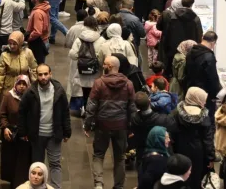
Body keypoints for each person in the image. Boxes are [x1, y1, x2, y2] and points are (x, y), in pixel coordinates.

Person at [83, 55, 135, 189]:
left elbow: (91, 107)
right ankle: (119, 186)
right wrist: (131, 127)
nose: (103, 66)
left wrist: (87, 125)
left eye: (105, 64)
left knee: (98, 155)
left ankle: (99, 184)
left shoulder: (99, 83)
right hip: (121, 126)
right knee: (120, 157)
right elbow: (132, 107)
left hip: (103, 125)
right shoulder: (128, 83)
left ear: (110, 67)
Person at [18, 64, 71, 189]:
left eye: (45, 74)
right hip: (37, 135)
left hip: (54, 134)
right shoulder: (30, 92)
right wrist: (23, 131)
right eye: (40, 74)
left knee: (55, 164)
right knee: (37, 165)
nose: (43, 77)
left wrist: (67, 131)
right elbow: (22, 112)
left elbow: (65, 111)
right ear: (36, 75)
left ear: (50, 74)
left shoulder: (58, 90)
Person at [167, 87, 215, 189]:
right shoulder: (204, 116)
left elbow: (171, 135)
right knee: (196, 178)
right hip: (198, 153)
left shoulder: (176, 113)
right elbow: (207, 140)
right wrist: (210, 158)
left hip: (180, 150)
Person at [0, 75, 32, 189]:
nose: (22, 86)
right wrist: (5, 127)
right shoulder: (8, 96)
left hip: (25, 134)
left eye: (24, 84)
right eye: (19, 84)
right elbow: (2, 114)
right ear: (15, 84)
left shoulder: (31, 97)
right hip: (11, 133)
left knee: (23, 161)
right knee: (11, 159)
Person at [158, 0, 203, 77]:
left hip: (173, 49)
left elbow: (167, 34)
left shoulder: (172, 17)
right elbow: (199, 36)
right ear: (191, 4)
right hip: (189, 51)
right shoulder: (195, 19)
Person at [184, 31, 221, 123]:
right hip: (205, 95)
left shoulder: (190, 52)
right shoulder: (209, 57)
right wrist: (217, 93)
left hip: (191, 91)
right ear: (213, 43)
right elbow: (213, 79)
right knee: (206, 120)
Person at [68, 16, 105, 104]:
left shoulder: (79, 39)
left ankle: (83, 107)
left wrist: (80, 57)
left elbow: (72, 54)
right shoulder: (101, 39)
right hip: (95, 71)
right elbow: (103, 55)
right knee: (94, 91)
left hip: (82, 70)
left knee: (84, 91)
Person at [0, 31, 37, 102]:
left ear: (20, 43)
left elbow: (34, 69)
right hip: (9, 86)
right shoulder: (4, 55)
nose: (12, 46)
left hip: (24, 85)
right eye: (10, 43)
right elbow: (0, 74)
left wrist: (35, 86)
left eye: (14, 44)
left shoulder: (28, 53)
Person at [130, 92, 169, 168]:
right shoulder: (160, 119)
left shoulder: (133, 118)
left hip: (141, 149)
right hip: (157, 149)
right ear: (150, 101)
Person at [26, 0, 50, 65]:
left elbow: (37, 31)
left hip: (38, 44)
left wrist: (28, 38)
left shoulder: (37, 13)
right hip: (43, 41)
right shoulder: (44, 8)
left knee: (36, 68)